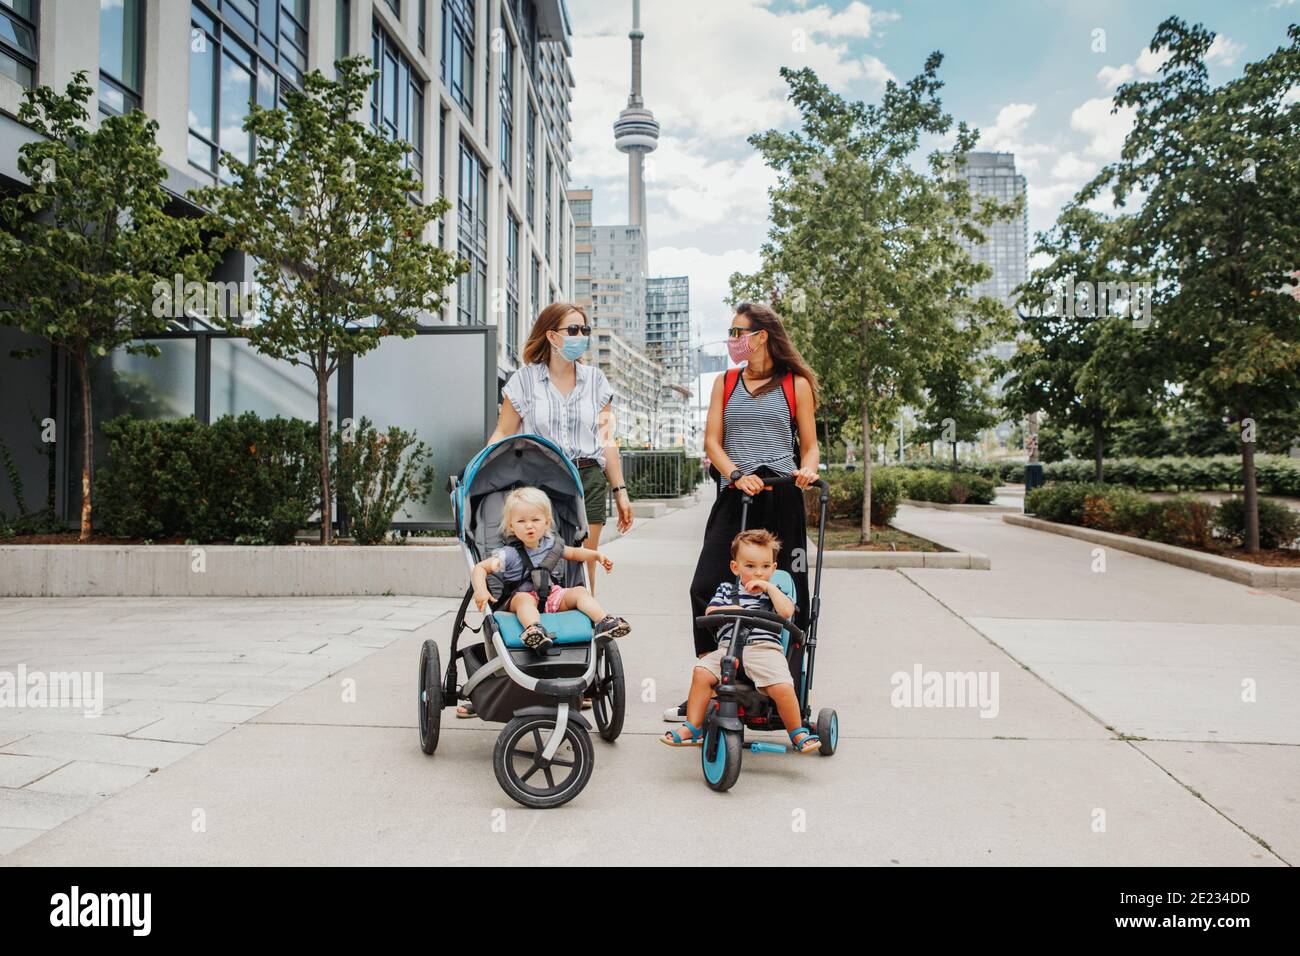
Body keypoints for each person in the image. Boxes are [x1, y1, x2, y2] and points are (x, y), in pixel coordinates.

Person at [460, 304, 633, 717]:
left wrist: (620, 489)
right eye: (574, 328)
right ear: (552, 335)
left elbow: (608, 441)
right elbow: (504, 432)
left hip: (584, 481)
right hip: (534, 485)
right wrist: (475, 474)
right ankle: (505, 669)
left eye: (585, 329)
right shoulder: (524, 381)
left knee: (577, 574)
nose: (581, 335)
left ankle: (579, 669)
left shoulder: (596, 381)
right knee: (517, 573)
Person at [666, 301, 820, 721]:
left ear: (762, 336)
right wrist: (734, 473)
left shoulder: (795, 384)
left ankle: (785, 687)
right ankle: (712, 677)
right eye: (732, 333)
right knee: (705, 585)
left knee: (791, 590)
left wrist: (807, 469)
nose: (733, 340)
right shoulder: (726, 382)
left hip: (783, 492)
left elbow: (809, 445)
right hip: (736, 493)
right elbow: (712, 442)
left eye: (739, 332)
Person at [660, 529, 820, 753]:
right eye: (751, 566)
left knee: (783, 686)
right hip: (728, 649)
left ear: (774, 569)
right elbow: (710, 611)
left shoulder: (774, 593)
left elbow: (786, 612)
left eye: (765, 567)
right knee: (701, 673)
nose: (758, 572)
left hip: (764, 650)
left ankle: (797, 731)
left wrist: (769, 587)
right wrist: (731, 608)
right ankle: (692, 726)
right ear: (736, 568)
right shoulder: (727, 590)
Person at [471, 487, 631, 650]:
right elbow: (480, 568)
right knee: (523, 600)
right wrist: (481, 590)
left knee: (579, 592)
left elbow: (575, 553)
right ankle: (534, 630)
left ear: (547, 522)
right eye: (521, 521)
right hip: (522, 597)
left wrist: (596, 556)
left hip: (553, 596)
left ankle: (603, 622)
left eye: (535, 520)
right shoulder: (508, 554)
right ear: (511, 527)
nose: (529, 526)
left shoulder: (552, 546)